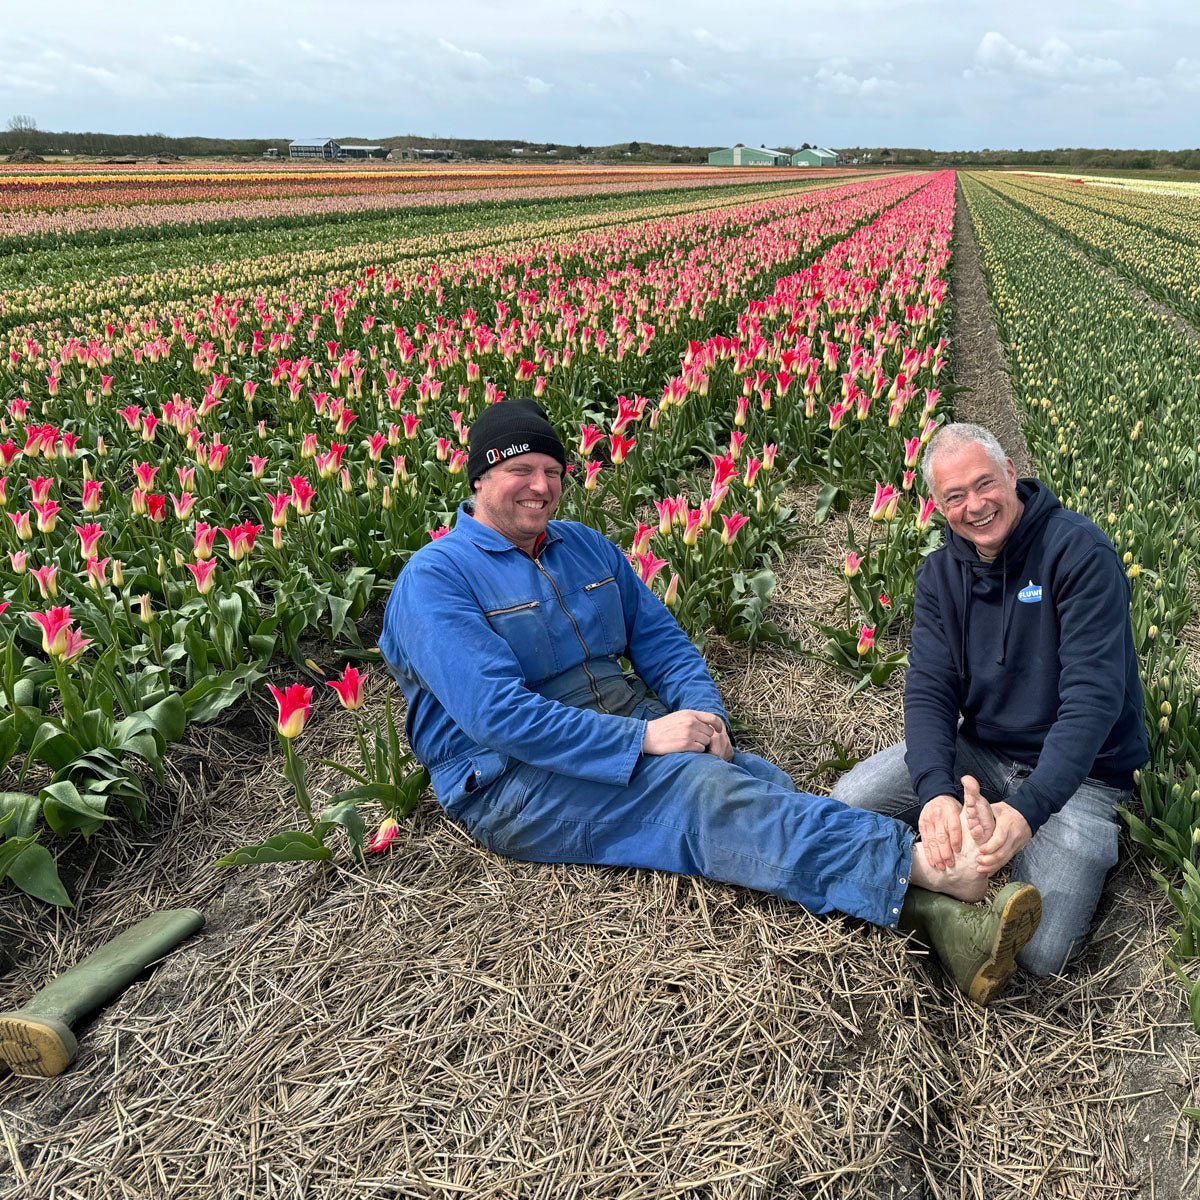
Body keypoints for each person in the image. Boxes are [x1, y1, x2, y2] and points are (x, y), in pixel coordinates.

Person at [380, 400, 1043, 1005]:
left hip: (621, 719)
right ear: (478, 478)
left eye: (553, 471)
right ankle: (933, 866)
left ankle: (939, 920)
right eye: (521, 470)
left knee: (757, 780)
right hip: (512, 780)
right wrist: (645, 740)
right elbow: (498, 715)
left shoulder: (583, 546)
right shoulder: (436, 579)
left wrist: (706, 715)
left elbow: (665, 646)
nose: (543, 487)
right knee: (702, 792)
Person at [832, 423, 1147, 977]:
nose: (975, 506)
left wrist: (1027, 811)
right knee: (849, 802)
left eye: (984, 484)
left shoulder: (1077, 553)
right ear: (937, 506)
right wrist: (935, 792)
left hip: (1084, 776)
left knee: (1044, 953)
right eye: (955, 496)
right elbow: (929, 689)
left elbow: (1093, 701)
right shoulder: (939, 576)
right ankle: (941, 905)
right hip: (982, 752)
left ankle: (976, 868)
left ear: (1010, 473)